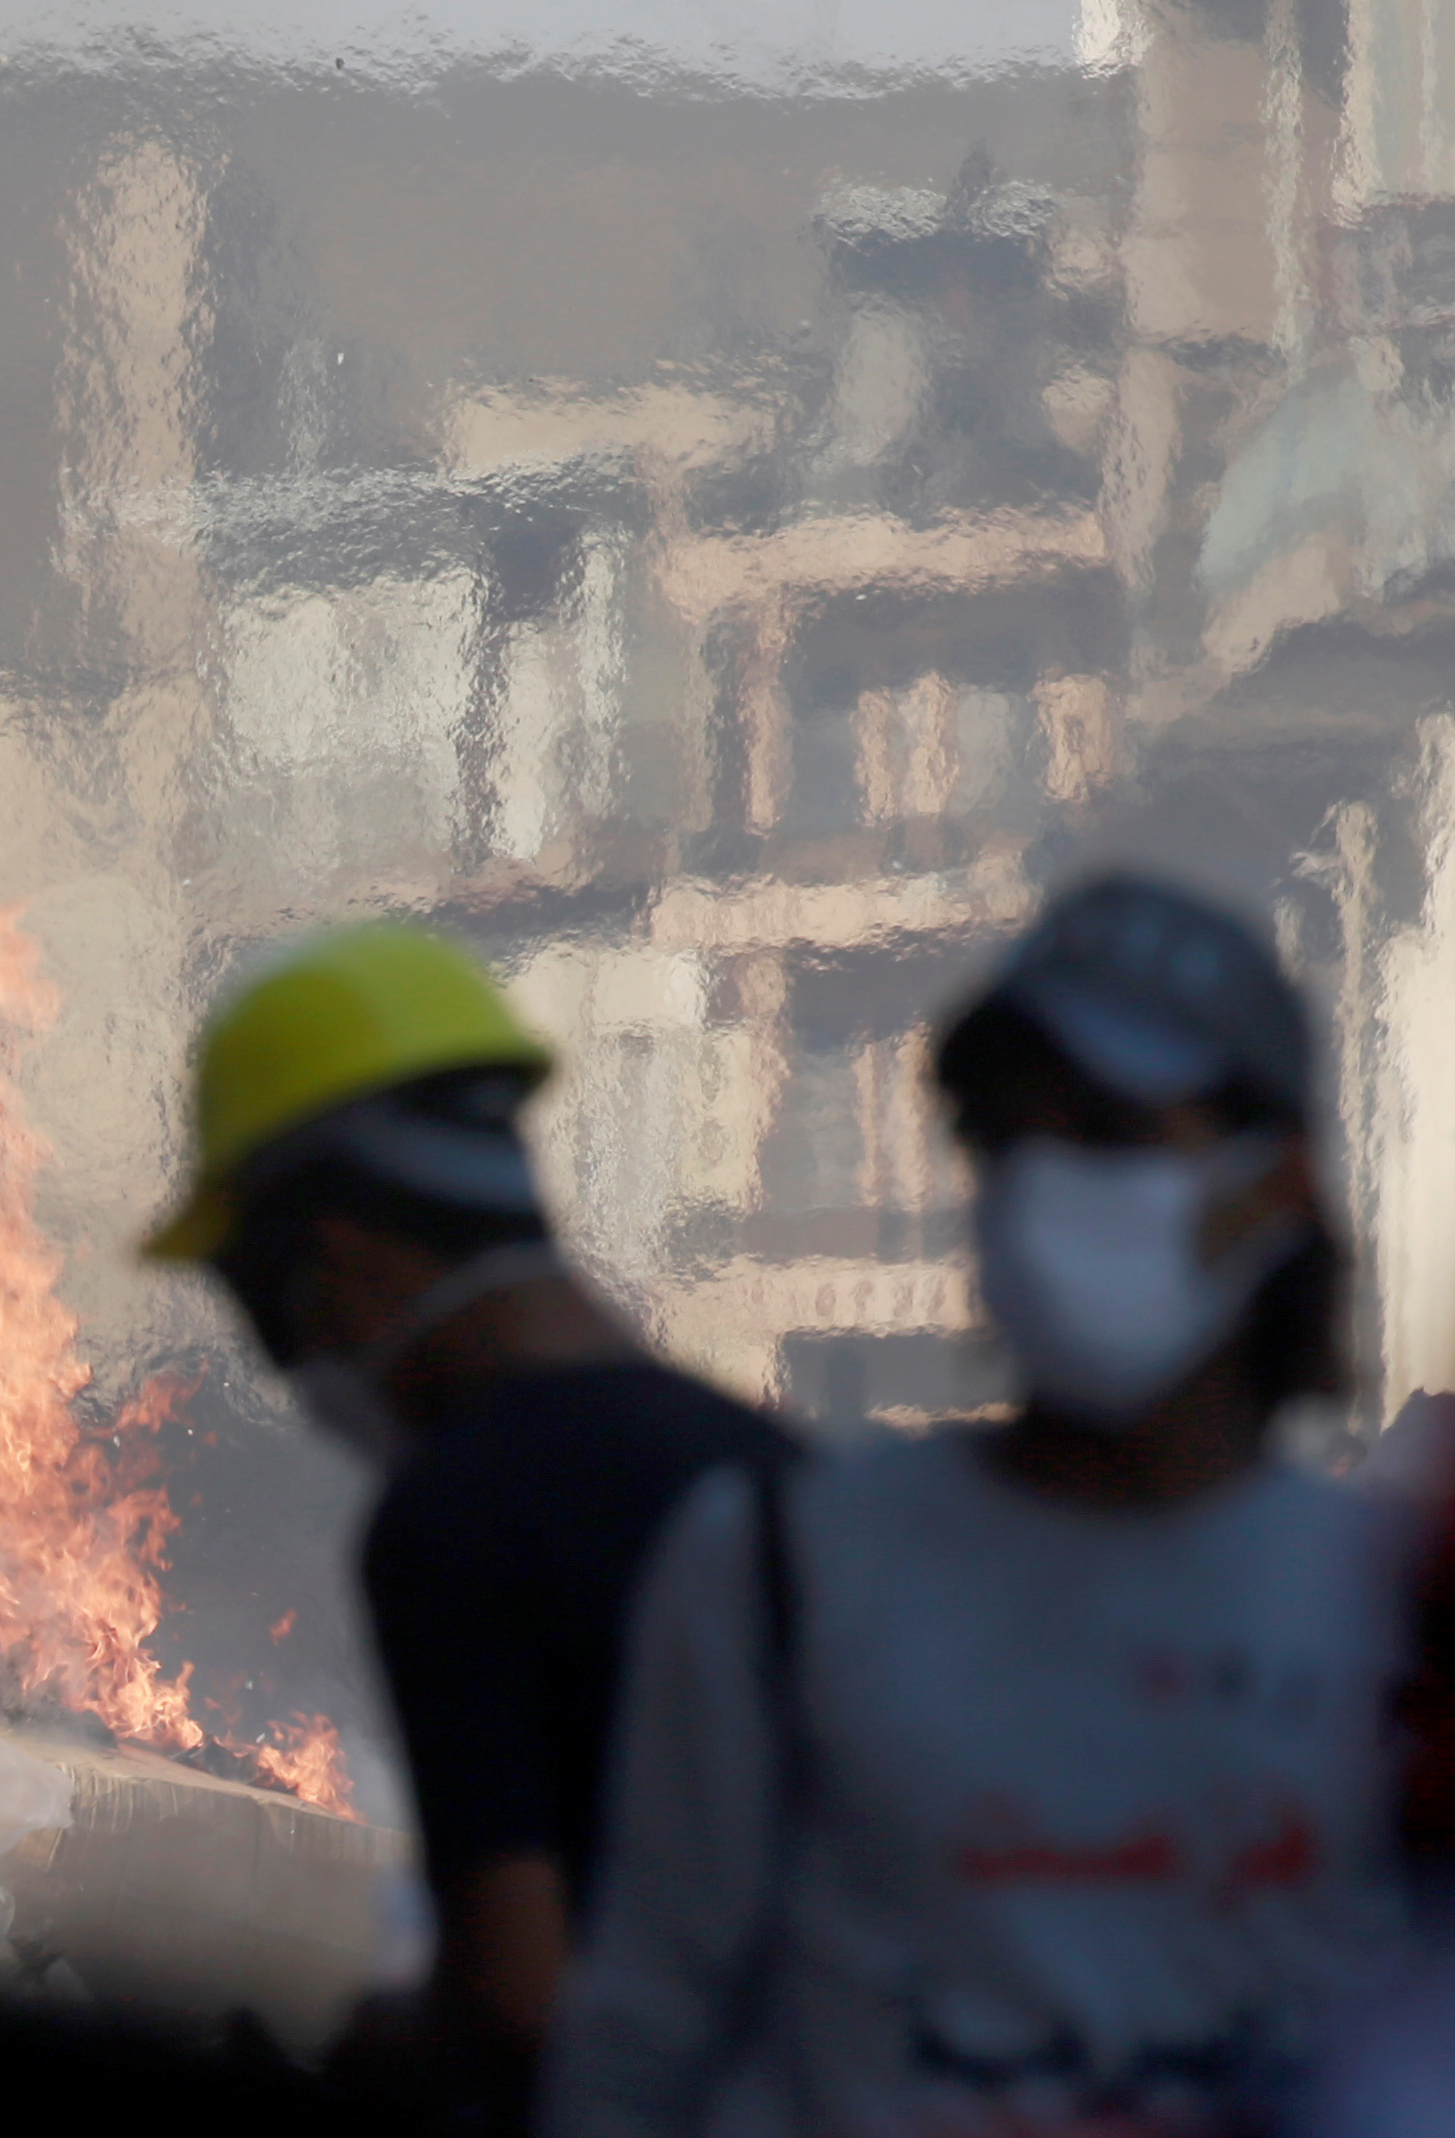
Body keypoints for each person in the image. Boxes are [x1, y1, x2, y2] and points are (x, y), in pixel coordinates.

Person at [550, 872, 1409, 2138]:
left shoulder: (1398, 1608)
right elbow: (637, 2039)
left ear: (1274, 1185)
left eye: (1109, 1132)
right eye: (1004, 1136)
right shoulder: (779, 1566)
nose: (1038, 1188)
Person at [137, 924, 793, 2125]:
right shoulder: (765, 1460)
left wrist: (361, 2054)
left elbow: (517, 2008)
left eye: (263, 1304)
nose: (294, 1362)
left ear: (332, 1259)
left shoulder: (462, 1517)